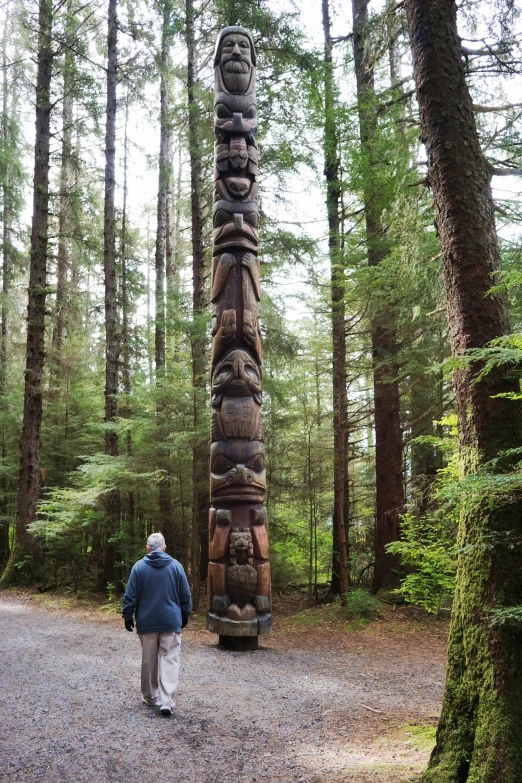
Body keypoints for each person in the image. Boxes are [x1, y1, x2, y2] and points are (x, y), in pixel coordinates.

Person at [122, 532, 192, 716]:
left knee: (149, 660)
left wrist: (128, 615)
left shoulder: (138, 567)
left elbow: (130, 595)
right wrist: (185, 613)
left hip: (147, 622)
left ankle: (150, 697)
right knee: (169, 658)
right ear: (164, 548)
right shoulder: (176, 566)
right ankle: (166, 701)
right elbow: (185, 595)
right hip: (171, 621)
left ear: (147, 548)